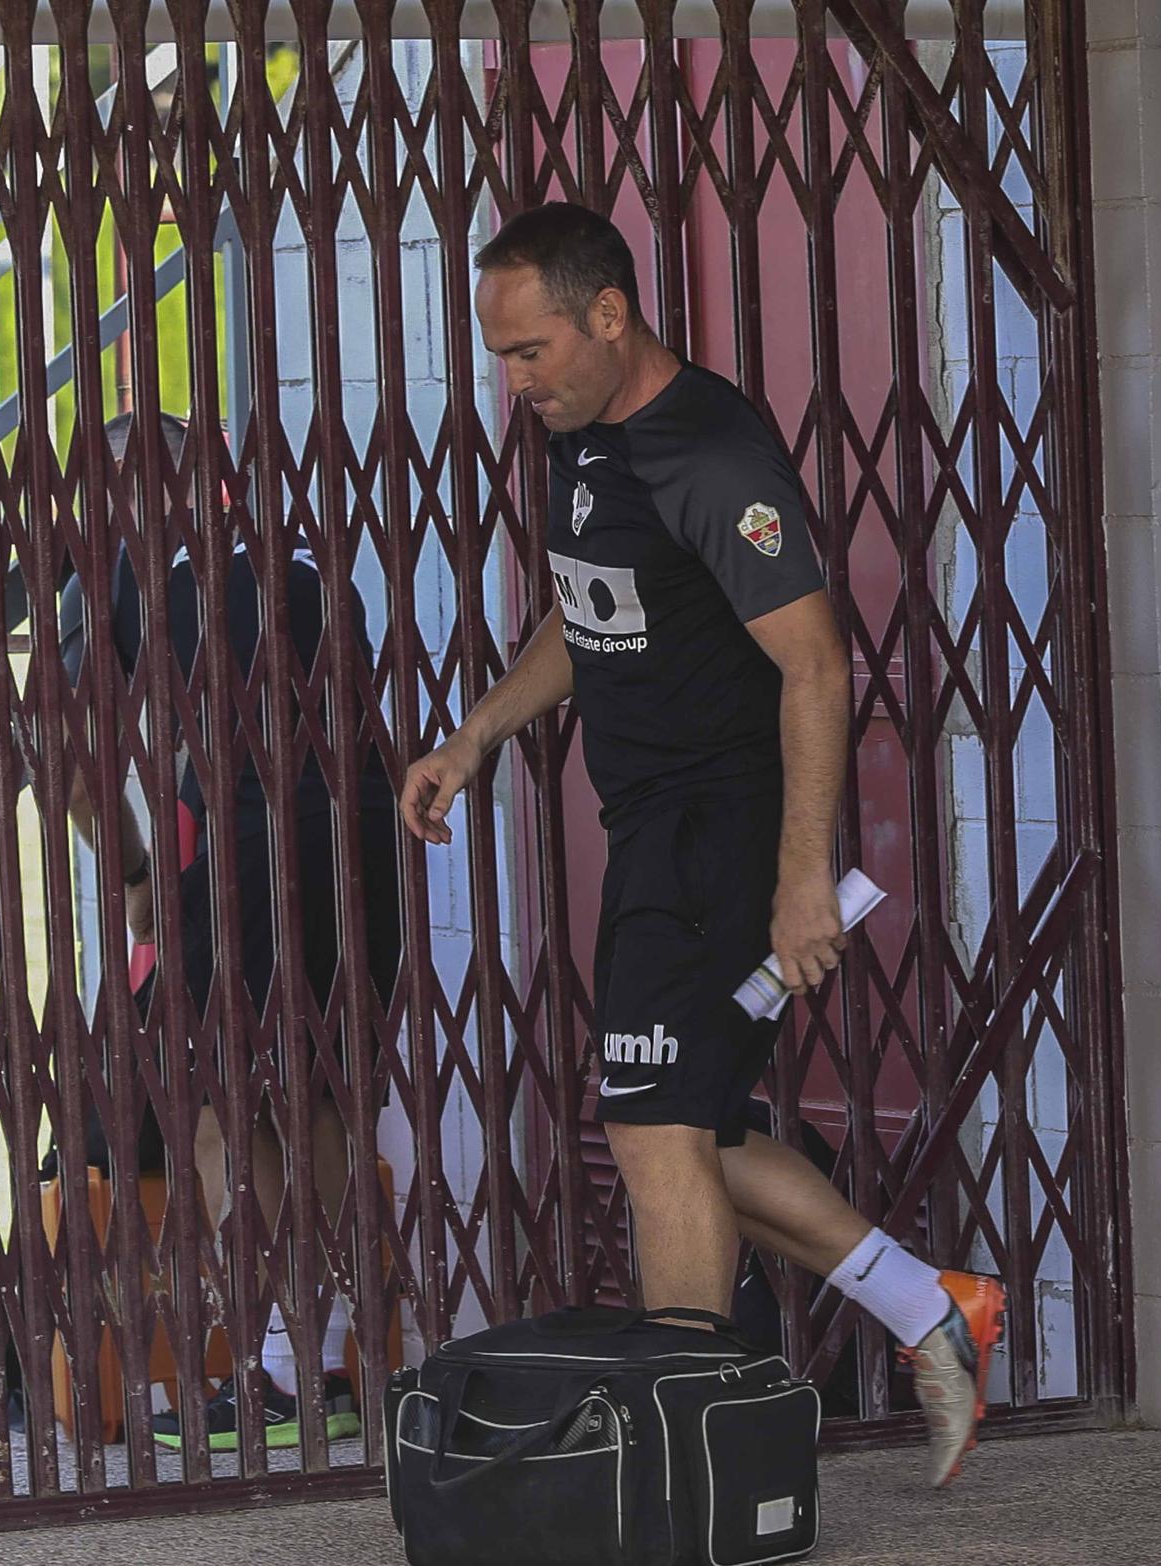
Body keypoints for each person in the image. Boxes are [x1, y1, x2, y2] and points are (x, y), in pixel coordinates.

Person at [399, 202, 1004, 1488]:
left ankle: (676, 1464)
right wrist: (476, 736)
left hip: (719, 837)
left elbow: (816, 665)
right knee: (688, 1121)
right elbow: (589, 611)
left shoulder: (710, 455)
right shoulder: (586, 436)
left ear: (609, 315)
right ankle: (930, 1307)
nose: (513, 382)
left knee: (653, 1129)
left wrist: (798, 879)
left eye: (529, 350)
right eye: (500, 354)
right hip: (651, 836)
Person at [58, 412, 401, 1452]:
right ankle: (345, 1360)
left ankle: (268, 1370)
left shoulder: (112, 575)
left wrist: (130, 876)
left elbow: (75, 762)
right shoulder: (300, 552)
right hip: (361, 828)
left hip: (242, 843)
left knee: (218, 1101)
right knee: (332, 1095)